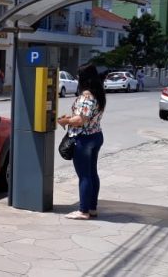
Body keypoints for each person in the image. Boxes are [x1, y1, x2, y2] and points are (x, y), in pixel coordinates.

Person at [57, 63, 106, 220]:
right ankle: (92, 208)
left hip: (84, 139)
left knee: (84, 176)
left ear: (84, 78)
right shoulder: (98, 95)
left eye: (78, 76)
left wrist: (66, 121)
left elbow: (80, 120)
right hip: (96, 136)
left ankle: (83, 210)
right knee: (92, 174)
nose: (77, 79)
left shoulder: (86, 97)